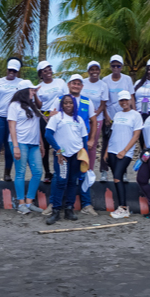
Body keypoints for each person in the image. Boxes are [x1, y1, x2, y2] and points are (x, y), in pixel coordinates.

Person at [48, 73, 99, 215]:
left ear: (82, 86)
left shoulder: (87, 101)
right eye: (73, 83)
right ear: (69, 85)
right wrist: (57, 147)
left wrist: (91, 140)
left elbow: (93, 121)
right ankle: (53, 206)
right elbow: (50, 121)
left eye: (78, 83)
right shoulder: (59, 99)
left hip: (79, 149)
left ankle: (84, 205)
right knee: (59, 178)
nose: (76, 86)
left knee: (78, 177)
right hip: (62, 151)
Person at [44, 94, 89, 225]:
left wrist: (85, 156)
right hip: (62, 156)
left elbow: (84, 139)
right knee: (61, 181)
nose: (68, 105)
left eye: (71, 103)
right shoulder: (57, 118)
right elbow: (48, 134)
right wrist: (58, 150)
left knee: (72, 182)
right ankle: (56, 211)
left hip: (76, 155)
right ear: (62, 105)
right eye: (66, 103)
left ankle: (69, 209)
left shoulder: (79, 119)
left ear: (74, 105)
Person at [7, 83, 45, 214]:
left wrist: (41, 143)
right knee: (20, 172)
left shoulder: (32, 105)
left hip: (34, 144)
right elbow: (11, 126)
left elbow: (36, 126)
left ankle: (29, 202)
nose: (33, 92)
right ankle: (21, 203)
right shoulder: (14, 106)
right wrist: (15, 146)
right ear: (24, 90)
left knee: (38, 172)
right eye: (32, 90)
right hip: (20, 143)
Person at [107, 90, 144, 219]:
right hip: (112, 150)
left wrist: (125, 150)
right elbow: (112, 134)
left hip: (125, 152)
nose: (124, 102)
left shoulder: (136, 115)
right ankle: (121, 205)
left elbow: (136, 135)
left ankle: (123, 207)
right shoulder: (116, 115)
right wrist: (106, 150)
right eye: (121, 100)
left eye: (126, 100)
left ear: (130, 100)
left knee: (117, 176)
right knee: (117, 179)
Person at [0, 58, 25, 182]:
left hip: (14, 118)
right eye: (10, 70)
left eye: (15, 71)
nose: (12, 73)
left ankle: (7, 173)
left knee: (9, 146)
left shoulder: (21, 82)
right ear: (7, 69)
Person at [34, 61, 66, 183]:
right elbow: (39, 105)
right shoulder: (40, 87)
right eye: (45, 70)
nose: (48, 72)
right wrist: (36, 95)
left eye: (49, 69)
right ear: (41, 74)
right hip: (45, 118)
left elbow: (67, 98)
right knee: (45, 146)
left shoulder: (61, 82)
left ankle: (61, 171)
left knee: (60, 144)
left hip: (60, 116)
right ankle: (47, 173)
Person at [81, 61, 109, 178]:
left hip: (97, 119)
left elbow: (103, 104)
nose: (94, 72)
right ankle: (81, 169)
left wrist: (94, 114)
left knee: (92, 145)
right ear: (88, 71)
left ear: (99, 71)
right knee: (81, 144)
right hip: (82, 118)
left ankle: (90, 171)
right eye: (91, 69)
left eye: (96, 69)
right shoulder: (83, 83)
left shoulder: (103, 85)